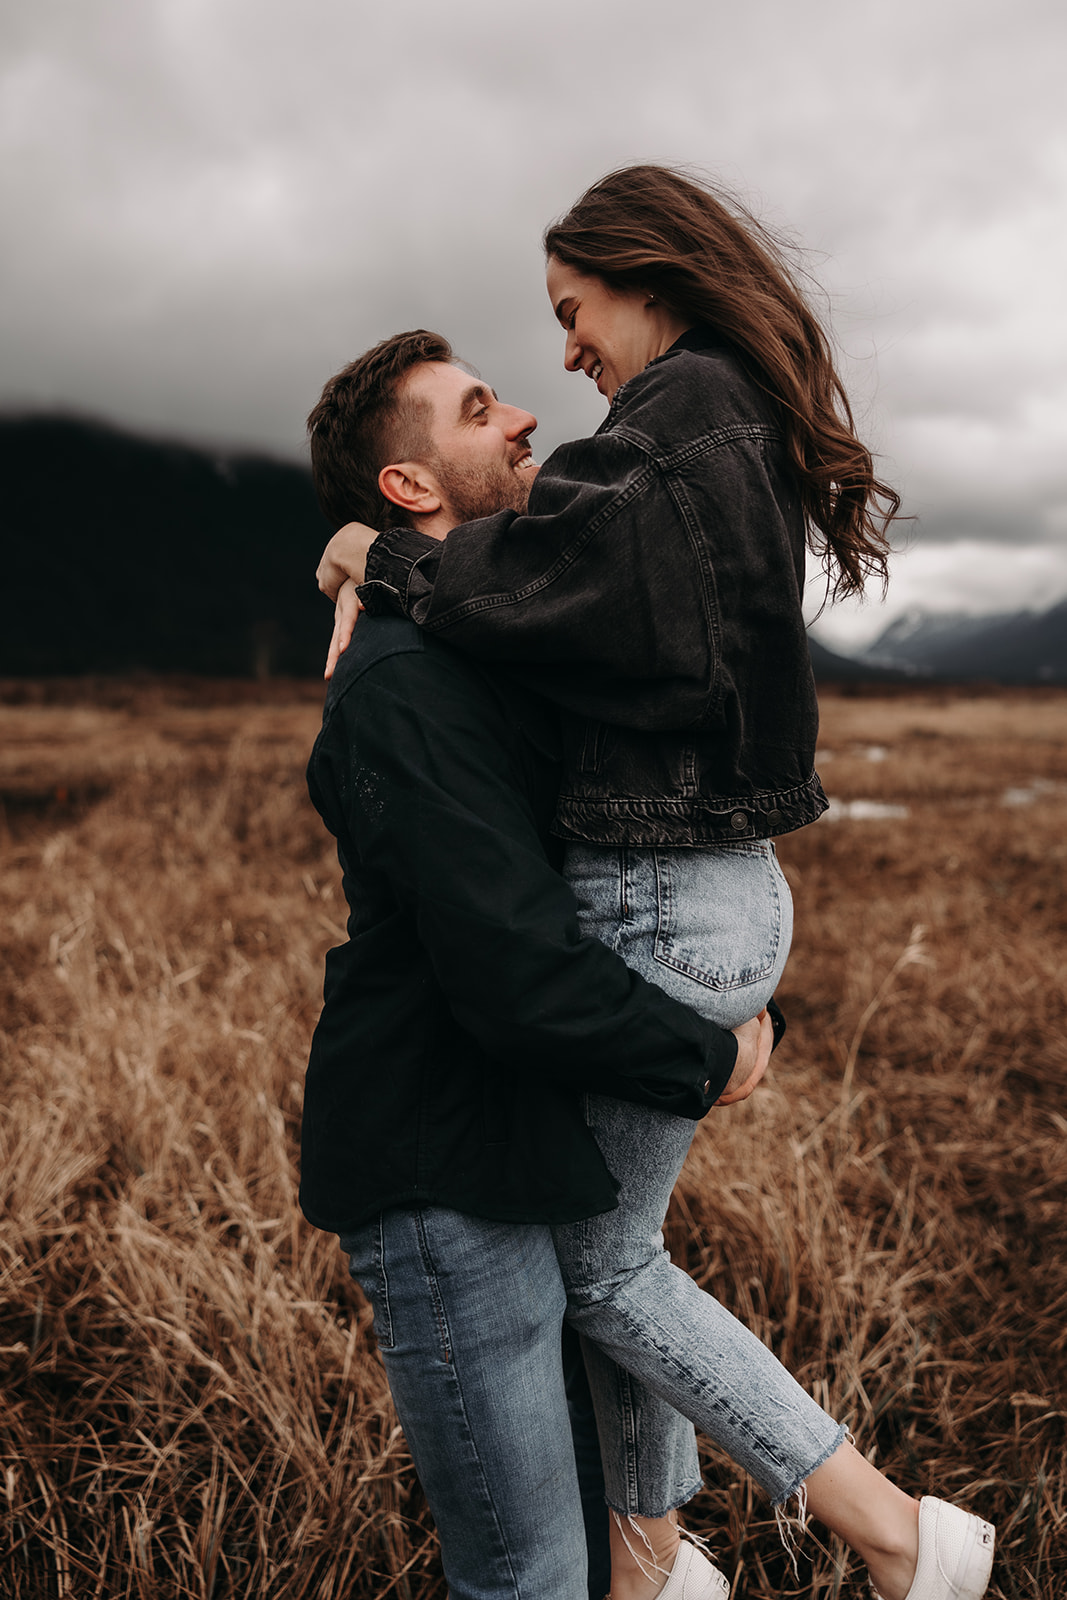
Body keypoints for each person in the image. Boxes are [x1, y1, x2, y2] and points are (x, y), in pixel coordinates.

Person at [314, 167, 997, 1600]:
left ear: (641, 274)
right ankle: (646, 1561)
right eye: (509, 372)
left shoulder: (675, 419)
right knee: (609, 1253)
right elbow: (557, 595)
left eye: (568, 316)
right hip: (705, 893)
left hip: (668, 903)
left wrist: (386, 560)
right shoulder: (709, 418)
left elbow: (547, 577)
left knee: (601, 1272)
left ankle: (889, 1535)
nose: (560, 364)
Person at [302, 328, 777, 1600]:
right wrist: (707, 1054)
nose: (522, 415)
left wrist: (361, 560)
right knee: (524, 1577)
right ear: (410, 482)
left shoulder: (474, 628)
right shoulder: (402, 687)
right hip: (435, 1169)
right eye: (475, 408)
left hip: (510, 1144)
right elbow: (514, 964)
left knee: (564, 1547)